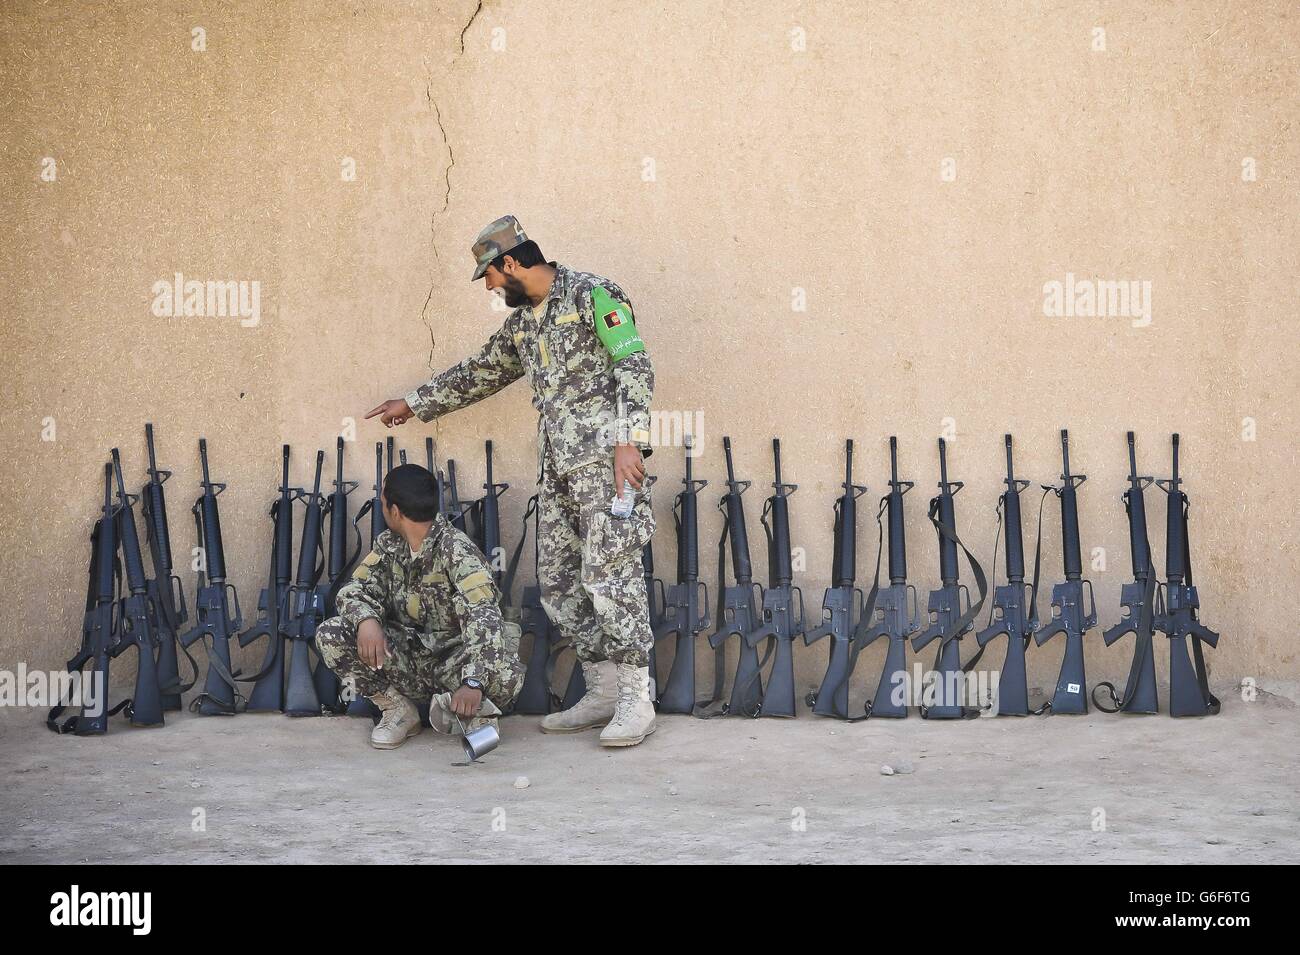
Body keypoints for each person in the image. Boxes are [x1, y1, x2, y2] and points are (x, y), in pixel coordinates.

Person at [365, 215, 658, 746]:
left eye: (492, 276)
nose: (492, 287)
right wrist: (413, 403)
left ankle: (638, 698)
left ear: (513, 261)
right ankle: (604, 690)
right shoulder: (525, 325)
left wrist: (628, 439)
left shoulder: (594, 293)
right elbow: (480, 371)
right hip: (559, 470)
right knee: (561, 585)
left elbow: (633, 364)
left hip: (607, 467)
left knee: (611, 579)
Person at [315, 464, 522, 749]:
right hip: (408, 661)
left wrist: (474, 681)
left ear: (395, 511)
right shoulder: (390, 546)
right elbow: (355, 590)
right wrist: (366, 621)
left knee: (504, 667)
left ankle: (475, 712)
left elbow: (484, 617)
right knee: (332, 634)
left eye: (384, 503)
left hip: (455, 666)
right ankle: (399, 710)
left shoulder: (456, 550)